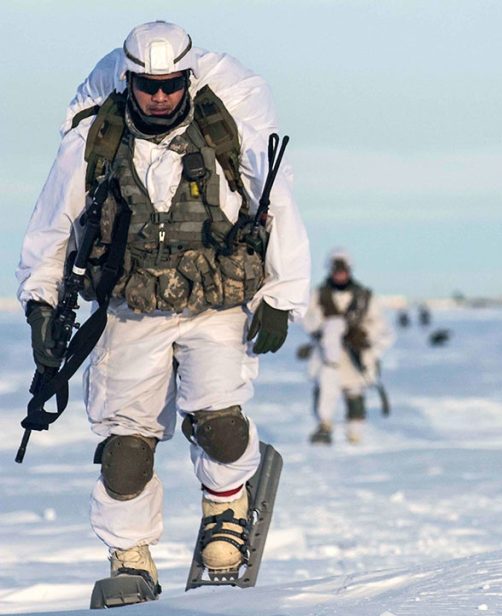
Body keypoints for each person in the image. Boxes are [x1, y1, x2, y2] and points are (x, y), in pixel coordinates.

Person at [16, 21, 310, 597]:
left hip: (214, 305)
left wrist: (282, 296)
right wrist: (40, 305)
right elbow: (51, 229)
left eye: (170, 84)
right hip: (126, 311)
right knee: (125, 451)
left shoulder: (228, 136)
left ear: (187, 79)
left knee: (221, 426)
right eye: (147, 85)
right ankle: (130, 557)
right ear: (127, 81)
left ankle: (227, 508)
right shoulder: (90, 146)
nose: (159, 96)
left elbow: (280, 207)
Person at [302, 249, 394, 444]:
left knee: (355, 395)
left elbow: (380, 326)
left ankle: (355, 436)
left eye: (343, 270)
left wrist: (364, 335)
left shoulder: (364, 297)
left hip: (356, 357)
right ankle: (324, 428)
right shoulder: (318, 296)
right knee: (325, 393)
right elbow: (309, 321)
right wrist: (326, 328)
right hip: (328, 356)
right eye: (336, 271)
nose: (339, 274)